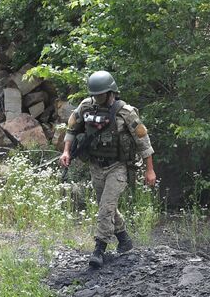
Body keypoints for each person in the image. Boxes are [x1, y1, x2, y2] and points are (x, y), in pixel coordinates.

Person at [58, 70, 157, 268]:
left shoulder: (125, 112)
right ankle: (124, 239)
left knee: (105, 208)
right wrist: (66, 151)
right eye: (94, 94)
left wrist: (150, 170)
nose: (97, 98)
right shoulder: (86, 107)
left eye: (100, 94)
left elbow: (143, 141)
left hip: (118, 167)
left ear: (111, 92)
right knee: (107, 207)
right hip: (96, 166)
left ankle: (99, 249)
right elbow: (71, 129)